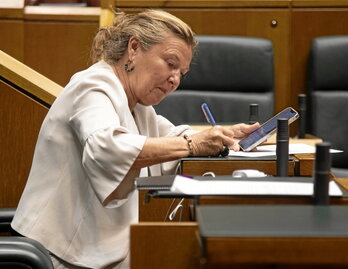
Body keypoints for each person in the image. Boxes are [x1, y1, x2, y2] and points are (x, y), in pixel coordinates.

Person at [11, 9, 259, 269]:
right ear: (134, 49)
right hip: (57, 255)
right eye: (171, 64)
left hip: (97, 251)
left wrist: (225, 136)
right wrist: (192, 144)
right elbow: (106, 148)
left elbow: (170, 136)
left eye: (182, 73)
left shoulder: (138, 105)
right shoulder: (93, 86)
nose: (175, 79)